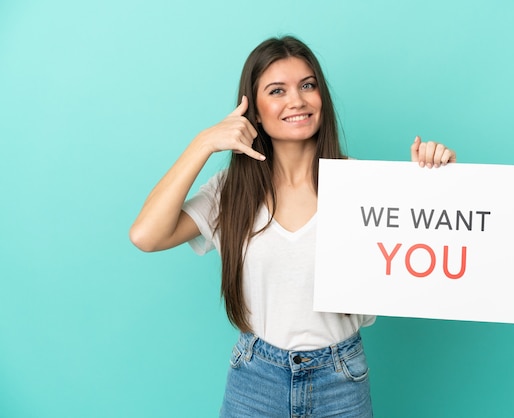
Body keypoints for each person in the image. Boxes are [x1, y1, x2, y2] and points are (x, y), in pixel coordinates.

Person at [130, 35, 456, 417]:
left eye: (307, 85)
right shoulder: (230, 192)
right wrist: (203, 143)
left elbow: (429, 248)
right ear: (253, 112)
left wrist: (434, 180)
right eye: (277, 90)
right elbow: (146, 235)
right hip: (255, 380)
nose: (297, 100)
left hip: (341, 380)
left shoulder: (363, 186)